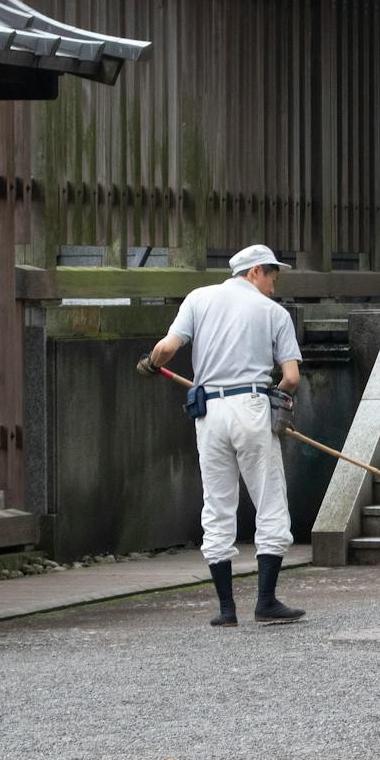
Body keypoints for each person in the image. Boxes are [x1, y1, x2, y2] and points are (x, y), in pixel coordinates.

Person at [138, 245, 305, 628]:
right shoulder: (273, 313)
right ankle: (266, 601)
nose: (274, 286)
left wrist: (150, 364)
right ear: (255, 272)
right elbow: (292, 378)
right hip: (251, 405)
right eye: (272, 277)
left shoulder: (198, 298)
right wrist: (279, 402)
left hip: (209, 411)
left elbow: (166, 348)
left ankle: (226, 609)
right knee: (270, 500)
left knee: (217, 503)